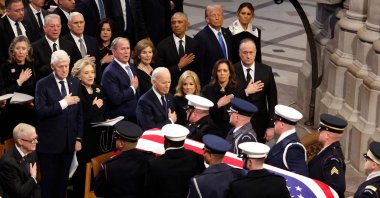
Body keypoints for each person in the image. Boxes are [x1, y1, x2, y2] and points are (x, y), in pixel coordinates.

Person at [35, 50, 83, 198]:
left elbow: (79, 114)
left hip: (68, 144)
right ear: (52, 66)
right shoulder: (42, 84)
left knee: (63, 186)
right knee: (49, 186)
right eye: (60, 66)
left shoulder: (74, 82)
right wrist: (64, 103)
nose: (64, 69)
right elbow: (41, 111)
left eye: (66, 66)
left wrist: (79, 138)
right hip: (49, 146)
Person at [70, 59, 109, 198]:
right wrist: (94, 107)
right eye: (86, 73)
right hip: (84, 136)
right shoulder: (76, 90)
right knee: (82, 171)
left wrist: (94, 108)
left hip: (99, 136)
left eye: (92, 72)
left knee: (97, 169)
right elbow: (81, 115)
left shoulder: (99, 88)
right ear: (78, 75)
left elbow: (103, 108)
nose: (91, 75)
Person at [94, 121, 152, 197]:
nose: (115, 140)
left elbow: (99, 192)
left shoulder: (108, 166)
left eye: (116, 138)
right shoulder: (147, 160)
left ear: (121, 144)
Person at [235, 38, 277, 143]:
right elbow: (230, 96)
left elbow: (272, 100)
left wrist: (271, 126)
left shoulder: (266, 70)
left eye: (251, 52)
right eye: (245, 53)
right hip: (238, 122)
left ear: (255, 53)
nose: (248, 56)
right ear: (239, 53)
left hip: (260, 124)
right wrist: (246, 92)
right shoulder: (232, 70)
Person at [145, 124, 205, 197]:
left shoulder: (154, 164)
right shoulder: (197, 158)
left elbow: (150, 190)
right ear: (183, 141)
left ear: (167, 143)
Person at [0, 36, 37, 142]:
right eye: (18, 48)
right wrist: (19, 81)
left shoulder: (32, 66)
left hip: (29, 113)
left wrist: (33, 103)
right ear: (12, 50)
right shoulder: (5, 67)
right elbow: (4, 92)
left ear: (28, 51)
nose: (21, 51)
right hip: (11, 115)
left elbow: (37, 89)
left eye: (23, 48)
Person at [155, 12, 200, 93]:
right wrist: (178, 66)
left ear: (187, 24)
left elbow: (199, 70)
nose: (176, 25)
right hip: (170, 91)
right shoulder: (162, 45)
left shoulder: (194, 44)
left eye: (180, 22)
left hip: (191, 91)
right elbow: (159, 72)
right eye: (173, 22)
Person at [202, 59, 245, 137]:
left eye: (225, 70)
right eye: (219, 71)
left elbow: (241, 112)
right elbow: (204, 113)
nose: (222, 73)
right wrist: (218, 104)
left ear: (230, 73)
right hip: (212, 130)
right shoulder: (208, 89)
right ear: (216, 73)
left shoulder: (237, 89)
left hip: (231, 132)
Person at [101, 37, 139, 122]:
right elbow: (116, 99)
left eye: (128, 48)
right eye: (122, 49)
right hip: (122, 120)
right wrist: (132, 88)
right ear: (114, 52)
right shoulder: (110, 72)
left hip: (136, 116)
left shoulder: (132, 66)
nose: (126, 52)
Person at [31, 14, 81, 79]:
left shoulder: (69, 45)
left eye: (58, 26)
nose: (55, 29)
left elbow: (75, 68)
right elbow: (37, 72)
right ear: (44, 28)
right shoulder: (35, 47)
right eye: (52, 26)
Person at [308, 114, 347, 197]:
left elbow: (337, 188)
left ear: (327, 135)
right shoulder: (327, 151)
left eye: (320, 130)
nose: (318, 132)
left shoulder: (332, 160)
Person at [265, 104, 308, 176]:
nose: (274, 123)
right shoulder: (285, 139)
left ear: (282, 125)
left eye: (276, 121)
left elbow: (301, 176)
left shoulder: (293, 149)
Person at [194, 4, 233, 85]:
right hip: (211, 84)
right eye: (213, 15)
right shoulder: (201, 38)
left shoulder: (227, 33)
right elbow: (200, 67)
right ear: (207, 19)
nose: (217, 17)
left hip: (228, 82)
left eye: (219, 15)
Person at [0, 123, 40, 198]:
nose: (36, 142)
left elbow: (36, 186)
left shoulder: (32, 153)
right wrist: (33, 177)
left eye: (36, 138)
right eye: (32, 140)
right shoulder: (8, 162)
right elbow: (20, 194)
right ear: (21, 142)